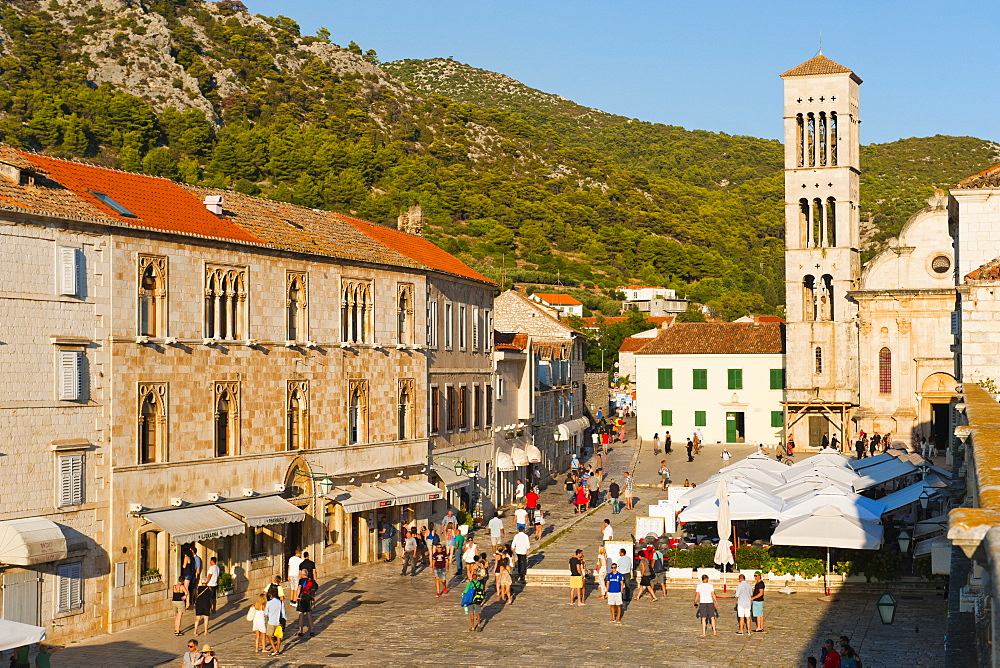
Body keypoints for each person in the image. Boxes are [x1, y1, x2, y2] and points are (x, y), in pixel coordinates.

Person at [295, 569, 317, 637]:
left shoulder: (301, 580)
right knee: (309, 614)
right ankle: (312, 630)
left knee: (301, 614)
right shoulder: (311, 580)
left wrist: (296, 596)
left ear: (302, 574)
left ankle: (300, 630)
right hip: (308, 598)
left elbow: (299, 588)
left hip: (302, 598)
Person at [263, 591, 284, 656]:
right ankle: (278, 649)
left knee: (269, 636)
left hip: (271, 621)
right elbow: (283, 612)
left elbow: (266, 613)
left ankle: (274, 649)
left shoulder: (269, 603)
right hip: (279, 622)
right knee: (278, 636)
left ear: (271, 596)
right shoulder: (281, 602)